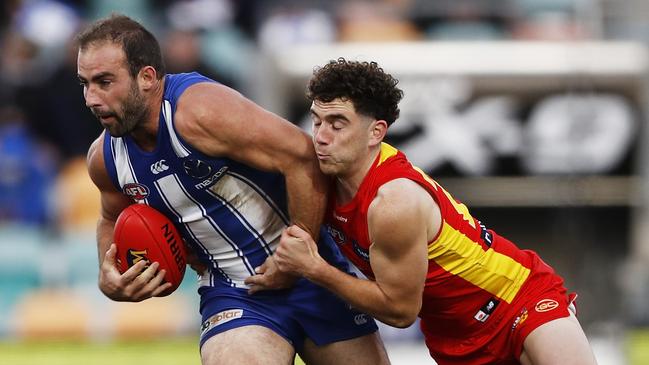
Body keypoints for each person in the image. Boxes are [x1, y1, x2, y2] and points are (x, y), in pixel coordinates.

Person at [76, 15, 389, 365]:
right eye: (85, 84)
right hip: (235, 292)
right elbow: (110, 216)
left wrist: (294, 256)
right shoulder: (104, 159)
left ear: (147, 77)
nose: (91, 98)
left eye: (104, 82)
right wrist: (110, 274)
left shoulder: (199, 111)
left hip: (315, 274)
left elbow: (303, 156)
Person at [256, 58, 599, 365]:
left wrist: (314, 268)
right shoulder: (320, 179)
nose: (321, 136)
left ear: (376, 132)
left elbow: (401, 311)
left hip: (519, 300)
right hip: (454, 339)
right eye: (317, 122)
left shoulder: (393, 202)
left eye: (337, 123)